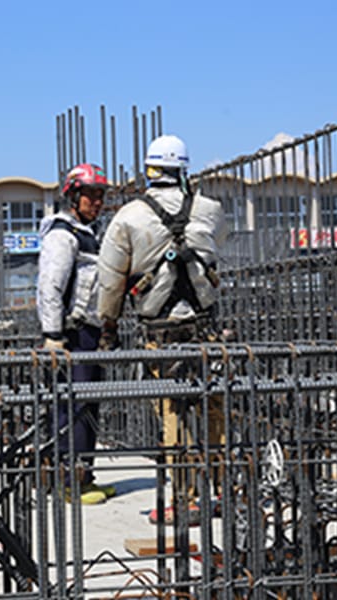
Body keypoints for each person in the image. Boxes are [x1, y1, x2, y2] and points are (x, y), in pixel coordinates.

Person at [97, 135, 227, 525]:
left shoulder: (129, 217)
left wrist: (109, 327)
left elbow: (110, 280)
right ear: (184, 169)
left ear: (149, 170)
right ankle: (217, 491)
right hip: (206, 326)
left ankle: (185, 499)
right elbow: (215, 246)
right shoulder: (210, 209)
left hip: (161, 331)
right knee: (213, 404)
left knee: (172, 410)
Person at [37, 162, 115, 505]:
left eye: (100, 196)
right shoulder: (62, 234)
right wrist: (52, 334)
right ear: (73, 195)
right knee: (74, 407)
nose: (96, 202)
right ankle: (69, 481)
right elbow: (50, 286)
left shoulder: (91, 233)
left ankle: (85, 476)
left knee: (88, 407)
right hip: (71, 333)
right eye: (90, 195)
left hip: (91, 331)